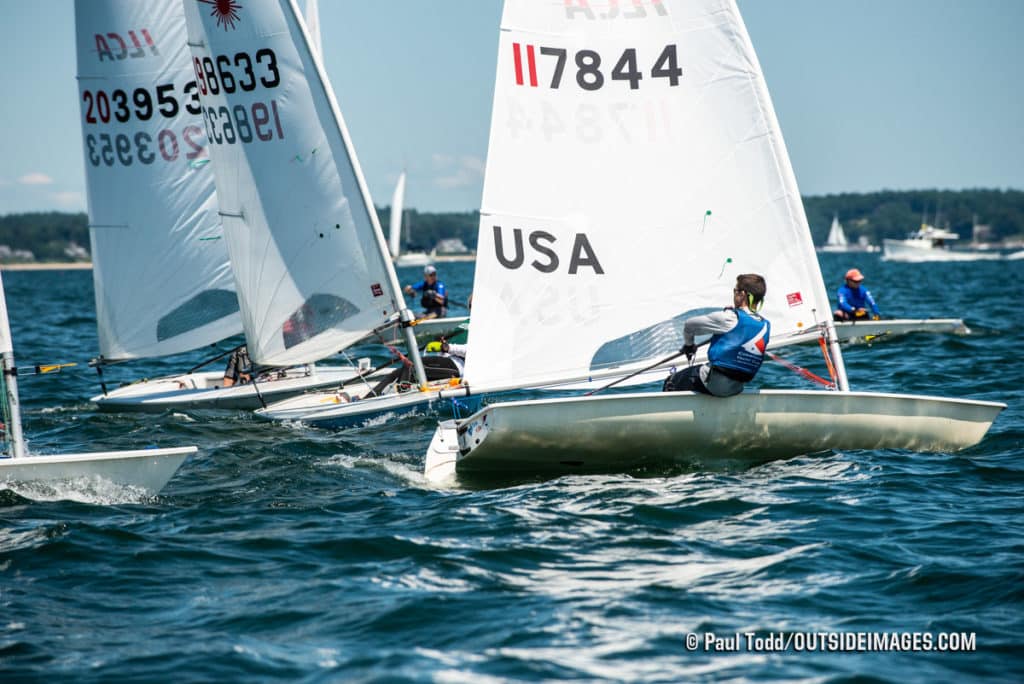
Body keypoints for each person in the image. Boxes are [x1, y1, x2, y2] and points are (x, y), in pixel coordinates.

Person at [662, 274, 771, 397]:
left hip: (714, 384)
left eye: (735, 291)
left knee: (671, 382)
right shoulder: (765, 325)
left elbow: (689, 326)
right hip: (737, 388)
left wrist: (689, 345)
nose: (734, 295)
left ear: (742, 294)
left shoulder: (728, 318)